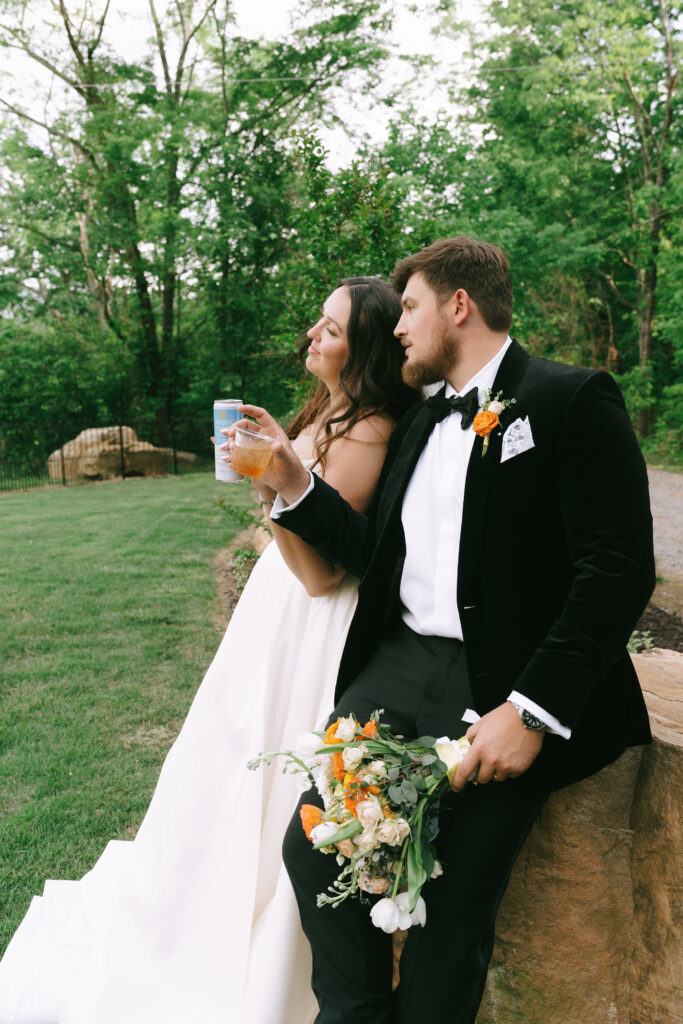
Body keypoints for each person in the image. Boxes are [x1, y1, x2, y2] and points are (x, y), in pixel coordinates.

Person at [239, 237, 655, 1024]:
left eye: (411, 308)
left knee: (451, 894)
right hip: (397, 667)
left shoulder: (572, 399)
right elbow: (373, 556)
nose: (397, 327)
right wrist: (295, 486)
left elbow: (618, 569)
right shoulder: (423, 420)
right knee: (314, 840)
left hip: (506, 680)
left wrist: (530, 710)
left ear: (458, 307)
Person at [0, 277, 418, 1024]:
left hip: (306, 623)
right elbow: (290, 517)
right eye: (316, 324)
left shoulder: (370, 432)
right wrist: (274, 476)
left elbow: (323, 575)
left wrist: (279, 485)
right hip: (273, 609)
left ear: (363, 348)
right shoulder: (331, 412)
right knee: (219, 758)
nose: (313, 338)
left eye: (330, 329)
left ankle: (238, 930)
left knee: (260, 764)